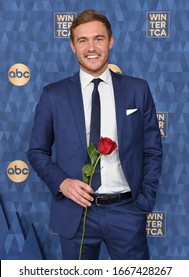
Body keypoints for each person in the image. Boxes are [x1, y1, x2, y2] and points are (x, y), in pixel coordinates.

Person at [28, 9, 163, 260]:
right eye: (83, 40)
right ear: (72, 46)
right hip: (74, 212)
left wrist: (143, 201)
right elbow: (37, 151)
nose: (92, 47)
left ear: (110, 41)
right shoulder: (53, 95)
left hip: (126, 211)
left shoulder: (137, 89)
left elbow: (152, 150)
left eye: (98, 39)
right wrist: (62, 183)